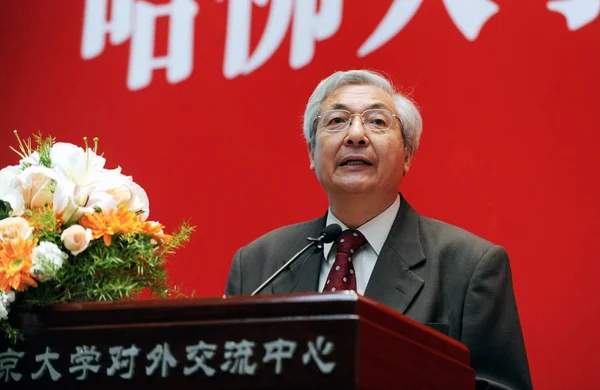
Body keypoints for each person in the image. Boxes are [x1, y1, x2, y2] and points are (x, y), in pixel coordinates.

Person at [225, 69, 532, 389]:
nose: (355, 135)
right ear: (311, 154)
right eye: (336, 121)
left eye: (377, 121)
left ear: (407, 155)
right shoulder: (258, 265)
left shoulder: (469, 266)